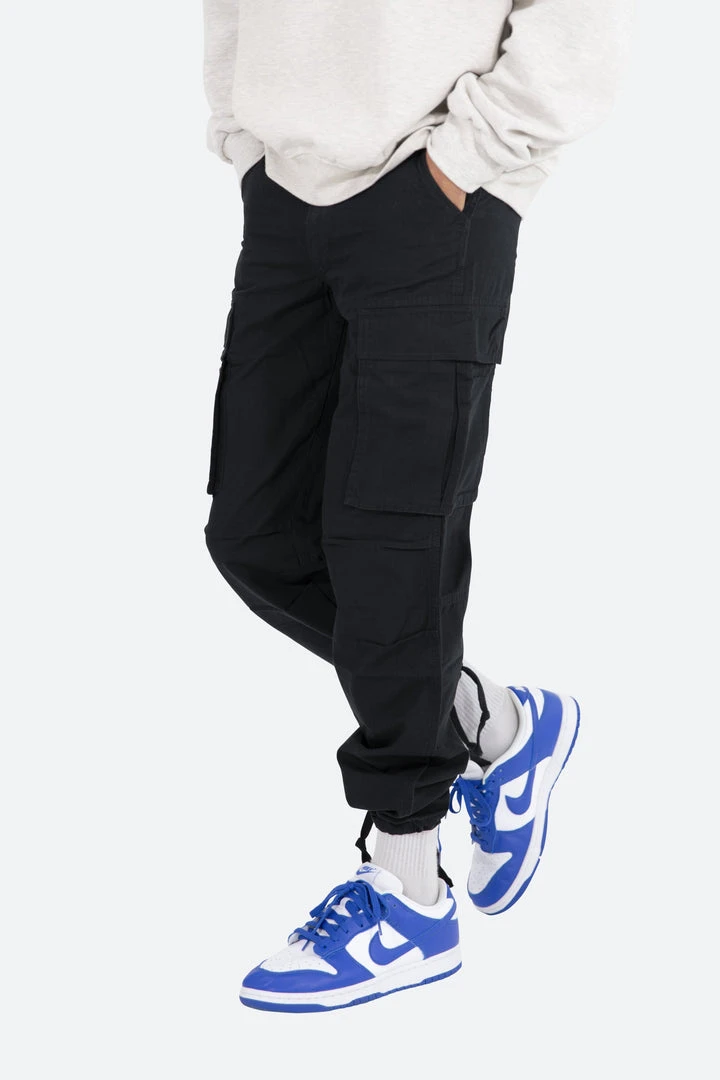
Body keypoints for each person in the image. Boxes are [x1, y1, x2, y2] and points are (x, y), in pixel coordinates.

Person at [202, 0, 628, 1013]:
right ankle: (492, 719)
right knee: (255, 533)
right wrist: (244, 131)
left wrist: (468, 156)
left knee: (390, 541)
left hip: (435, 189)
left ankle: (411, 890)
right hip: (289, 189)